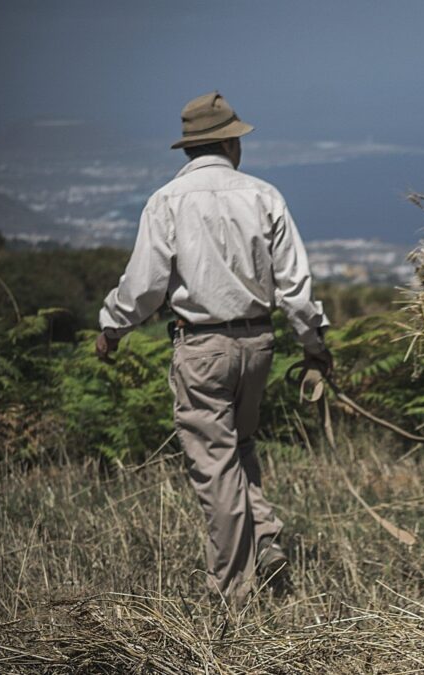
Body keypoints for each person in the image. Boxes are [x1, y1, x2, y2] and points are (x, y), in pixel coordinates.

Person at [96, 91, 332, 604]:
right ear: (231, 143)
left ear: (190, 148)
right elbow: (295, 288)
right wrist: (314, 346)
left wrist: (111, 328)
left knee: (215, 464)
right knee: (240, 446)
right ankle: (264, 537)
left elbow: (143, 288)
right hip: (258, 342)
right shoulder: (265, 196)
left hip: (200, 345)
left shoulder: (165, 202)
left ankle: (229, 594)